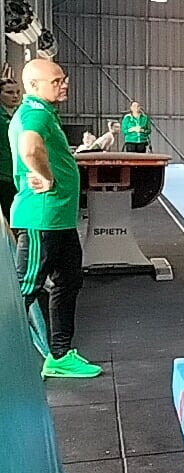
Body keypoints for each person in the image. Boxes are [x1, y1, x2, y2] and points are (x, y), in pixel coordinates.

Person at [11, 58, 101, 377]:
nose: (64, 84)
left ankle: (60, 355)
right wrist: (46, 177)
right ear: (34, 86)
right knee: (24, 289)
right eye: (56, 81)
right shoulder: (34, 113)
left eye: (64, 79)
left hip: (59, 220)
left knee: (68, 283)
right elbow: (29, 148)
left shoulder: (46, 112)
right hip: (41, 220)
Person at [0, 78, 21, 217]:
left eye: (17, 92)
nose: (15, 96)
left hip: (19, 172)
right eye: (9, 92)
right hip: (3, 174)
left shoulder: (21, 114)